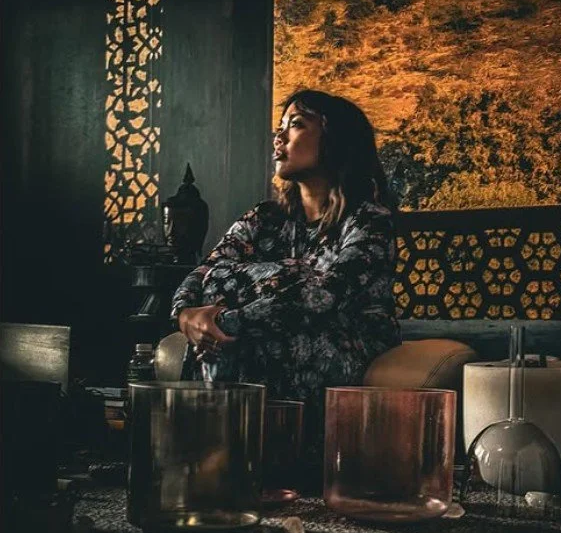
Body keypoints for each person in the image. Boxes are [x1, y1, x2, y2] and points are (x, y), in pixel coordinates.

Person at [170, 89, 401, 483]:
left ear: (334, 140)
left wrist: (227, 319)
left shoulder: (369, 219)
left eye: (296, 125)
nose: (279, 138)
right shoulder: (265, 217)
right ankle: (218, 466)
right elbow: (206, 272)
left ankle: (287, 469)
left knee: (264, 333)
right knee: (223, 332)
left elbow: (323, 296)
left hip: (347, 336)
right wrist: (186, 314)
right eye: (280, 128)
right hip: (265, 324)